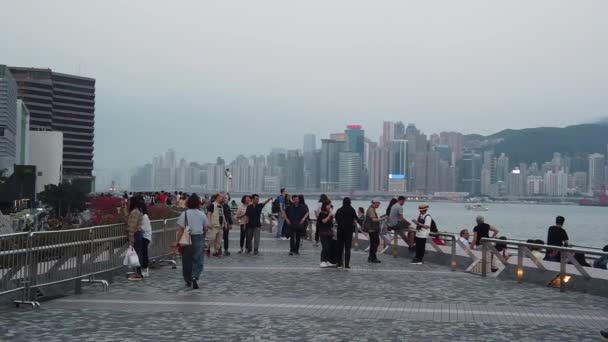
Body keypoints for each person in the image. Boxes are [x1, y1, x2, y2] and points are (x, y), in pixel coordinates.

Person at [174, 194, 207, 289]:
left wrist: (177, 241)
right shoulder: (202, 214)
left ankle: (187, 279)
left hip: (187, 237)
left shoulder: (184, 214)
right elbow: (205, 227)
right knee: (198, 259)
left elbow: (180, 230)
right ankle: (195, 276)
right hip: (198, 237)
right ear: (198, 203)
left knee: (186, 259)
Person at [335, 197, 358, 269]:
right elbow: (356, 218)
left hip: (340, 230)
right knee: (348, 248)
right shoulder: (352, 210)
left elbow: (336, 218)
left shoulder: (339, 210)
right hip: (349, 231)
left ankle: (339, 263)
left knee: (340, 248)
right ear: (350, 202)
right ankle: (347, 264)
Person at [126, 196, 144, 281]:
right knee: (137, 253)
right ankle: (138, 272)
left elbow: (132, 226)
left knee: (137, 254)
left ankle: (138, 273)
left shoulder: (135, 212)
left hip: (135, 234)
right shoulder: (138, 211)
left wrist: (131, 238)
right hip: (138, 234)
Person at [207, 193, 227, 258]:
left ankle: (216, 252)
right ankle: (209, 249)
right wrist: (209, 223)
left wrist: (225, 223)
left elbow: (222, 215)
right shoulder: (212, 205)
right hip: (213, 225)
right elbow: (209, 214)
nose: (223, 199)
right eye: (222, 197)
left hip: (220, 226)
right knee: (212, 239)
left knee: (219, 240)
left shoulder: (221, 205)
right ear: (217, 197)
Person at [364, 198, 384, 264]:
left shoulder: (371, 209)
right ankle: (373, 258)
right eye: (378, 203)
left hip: (371, 229)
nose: (379, 205)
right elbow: (373, 219)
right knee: (375, 243)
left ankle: (371, 257)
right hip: (372, 229)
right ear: (375, 203)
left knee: (373, 243)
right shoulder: (371, 209)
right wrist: (381, 219)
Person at [317, 202, 335, 268]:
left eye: (330, 205)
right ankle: (322, 261)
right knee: (325, 247)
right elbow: (323, 221)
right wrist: (329, 215)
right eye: (328, 205)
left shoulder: (329, 214)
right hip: (323, 232)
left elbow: (331, 223)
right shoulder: (322, 213)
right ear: (325, 206)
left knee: (329, 247)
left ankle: (327, 260)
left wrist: (332, 216)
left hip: (329, 232)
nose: (329, 206)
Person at [138, 201, 152, 278]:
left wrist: (138, 227)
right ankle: (145, 269)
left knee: (144, 254)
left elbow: (144, 228)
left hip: (145, 237)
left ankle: (145, 269)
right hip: (145, 236)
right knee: (143, 253)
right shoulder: (144, 216)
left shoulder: (145, 217)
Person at [220, 192, 234, 256]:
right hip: (219, 224)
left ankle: (226, 250)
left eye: (226, 198)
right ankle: (219, 249)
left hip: (226, 224)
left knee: (225, 237)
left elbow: (229, 216)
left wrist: (230, 224)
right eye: (224, 198)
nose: (225, 199)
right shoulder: (218, 205)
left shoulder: (227, 206)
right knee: (219, 237)